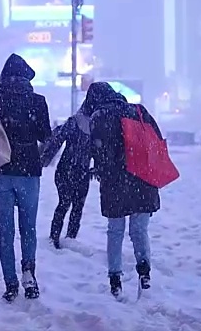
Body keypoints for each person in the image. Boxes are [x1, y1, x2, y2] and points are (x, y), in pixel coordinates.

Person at [0, 53, 51, 302]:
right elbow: (45, 135)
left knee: (5, 231)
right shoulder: (37, 101)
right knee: (28, 228)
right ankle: (29, 275)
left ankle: (10, 283)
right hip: (29, 171)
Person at [86, 82, 162, 299]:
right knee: (139, 229)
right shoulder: (138, 111)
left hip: (115, 182)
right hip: (142, 179)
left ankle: (115, 278)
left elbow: (99, 151)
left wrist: (99, 170)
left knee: (115, 230)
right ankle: (144, 271)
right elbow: (156, 142)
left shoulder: (99, 116)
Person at [40, 103, 93, 249]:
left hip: (66, 169)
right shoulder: (97, 126)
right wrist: (99, 168)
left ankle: (54, 238)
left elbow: (57, 141)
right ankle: (70, 238)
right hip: (82, 171)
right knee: (77, 206)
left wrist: (45, 159)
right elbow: (101, 151)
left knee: (64, 203)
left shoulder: (74, 121)